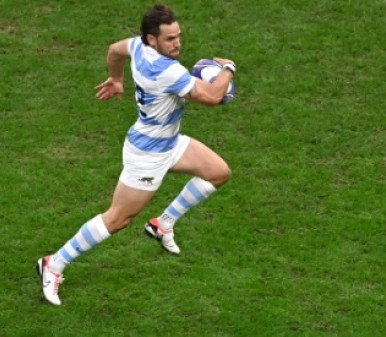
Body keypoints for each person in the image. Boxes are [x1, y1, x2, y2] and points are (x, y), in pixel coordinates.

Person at [35, 3, 236, 306]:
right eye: (170, 39)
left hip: (169, 142)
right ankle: (54, 263)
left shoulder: (138, 47)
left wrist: (116, 79)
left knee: (218, 173)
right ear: (152, 39)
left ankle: (162, 224)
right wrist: (228, 69)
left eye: (178, 36)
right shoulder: (166, 70)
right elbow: (211, 96)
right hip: (147, 155)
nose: (177, 44)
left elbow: (115, 50)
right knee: (118, 218)